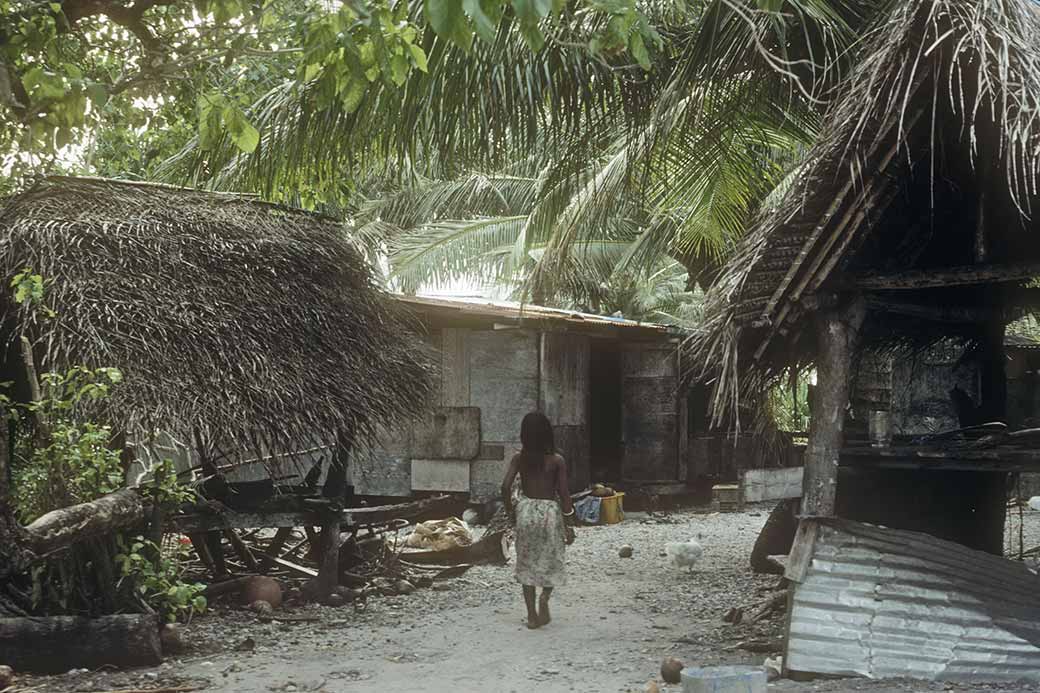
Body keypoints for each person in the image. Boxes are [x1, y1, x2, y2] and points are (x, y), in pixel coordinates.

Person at [501, 411, 575, 629]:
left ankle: (532, 616)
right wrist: (569, 523)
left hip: (526, 511)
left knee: (526, 563)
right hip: (550, 513)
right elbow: (564, 493)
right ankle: (545, 598)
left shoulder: (519, 458)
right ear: (547, 434)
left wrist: (510, 511)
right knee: (552, 559)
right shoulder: (556, 460)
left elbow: (505, 487)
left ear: (524, 434)